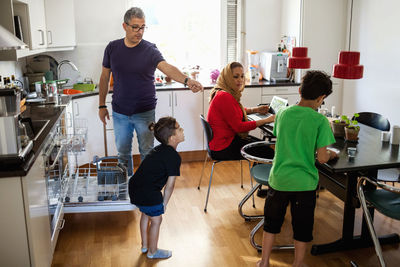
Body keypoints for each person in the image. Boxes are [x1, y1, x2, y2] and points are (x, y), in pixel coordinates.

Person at [98, 7, 203, 176]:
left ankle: (145, 191)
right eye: (135, 27)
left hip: (144, 112)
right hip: (120, 112)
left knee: (147, 153)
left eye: (143, 27)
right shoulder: (112, 48)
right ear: (124, 26)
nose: (140, 32)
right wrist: (101, 105)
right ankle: (127, 193)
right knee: (123, 155)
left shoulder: (149, 49)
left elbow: (167, 68)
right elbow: (104, 77)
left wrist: (187, 80)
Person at [257, 70, 338, 267]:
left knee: (271, 223)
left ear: (300, 90)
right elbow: (322, 157)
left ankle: (264, 261)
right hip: (304, 184)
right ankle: (299, 263)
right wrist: (333, 154)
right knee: (302, 226)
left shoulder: (283, 114)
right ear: (321, 98)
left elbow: (280, 141)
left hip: (279, 180)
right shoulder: (320, 121)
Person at [128, 116, 184, 259]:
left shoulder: (158, 150)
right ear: (172, 138)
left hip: (135, 187)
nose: (182, 129)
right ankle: (153, 251)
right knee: (157, 220)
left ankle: (145, 246)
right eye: (179, 128)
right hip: (148, 192)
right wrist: (164, 204)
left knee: (146, 214)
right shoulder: (174, 157)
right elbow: (170, 186)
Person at [207, 62, 275, 160]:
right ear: (228, 77)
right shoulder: (224, 96)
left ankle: (259, 173)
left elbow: (234, 112)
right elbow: (239, 127)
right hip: (223, 147)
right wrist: (266, 120)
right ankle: (263, 174)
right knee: (267, 152)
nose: (240, 80)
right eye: (235, 77)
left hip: (222, 142)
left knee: (263, 147)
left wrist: (255, 110)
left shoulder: (222, 92)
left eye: (242, 76)